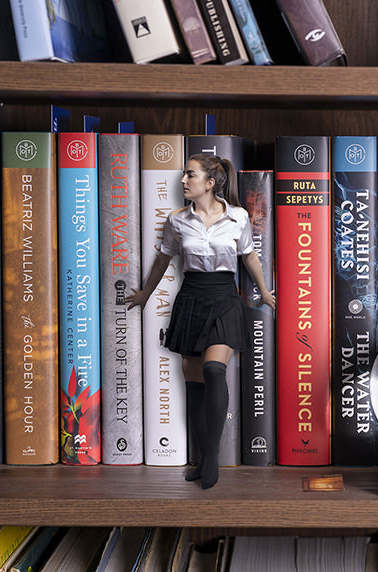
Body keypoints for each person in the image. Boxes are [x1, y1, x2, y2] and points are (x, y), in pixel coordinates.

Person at [126, 153, 275, 489]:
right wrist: (146, 295)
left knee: (213, 370)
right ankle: (204, 457)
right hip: (191, 298)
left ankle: (212, 460)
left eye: (189, 175)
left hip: (224, 297)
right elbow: (163, 259)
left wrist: (264, 291)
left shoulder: (237, 217)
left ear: (210, 183)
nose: (183, 181)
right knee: (193, 385)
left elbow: (249, 255)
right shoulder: (177, 220)